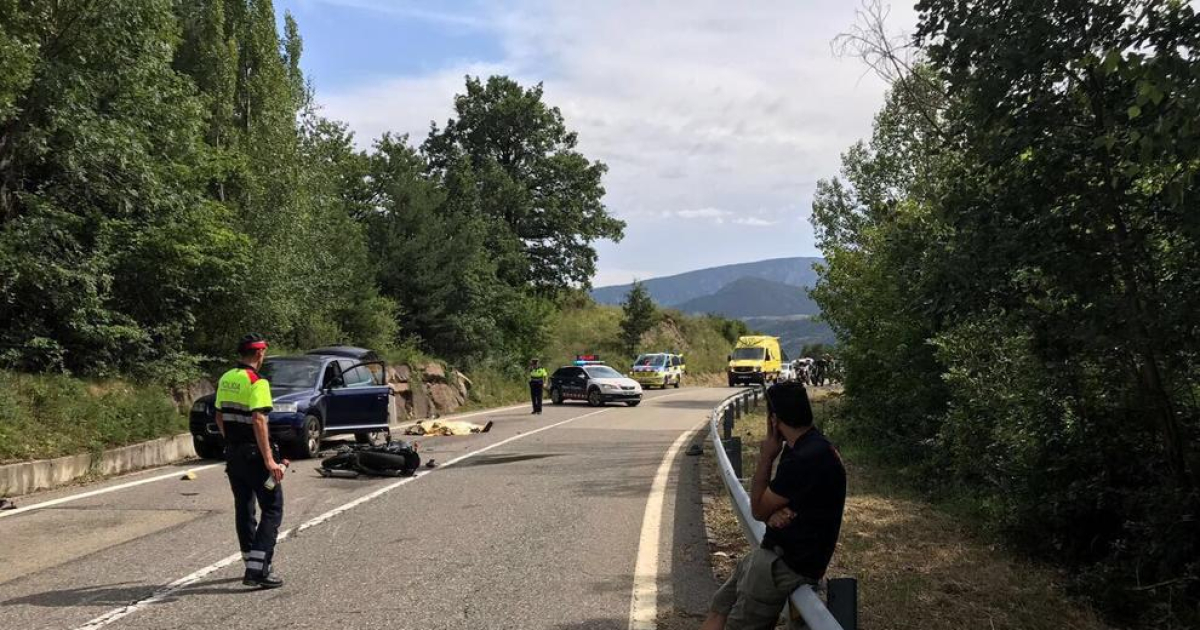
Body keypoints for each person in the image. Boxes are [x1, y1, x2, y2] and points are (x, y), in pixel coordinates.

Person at [701, 381, 847, 630]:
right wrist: (771, 514)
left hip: (783, 566)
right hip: (771, 555)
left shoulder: (804, 458)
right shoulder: (807, 446)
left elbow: (757, 509)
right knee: (720, 606)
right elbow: (770, 510)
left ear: (774, 419)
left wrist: (767, 455)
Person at [215, 333, 287, 589]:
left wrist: (230, 442)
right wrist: (270, 460)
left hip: (234, 455)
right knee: (273, 507)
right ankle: (258, 570)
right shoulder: (257, 381)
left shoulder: (227, 377)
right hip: (255, 457)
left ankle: (249, 560)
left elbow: (219, 414)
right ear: (259, 353)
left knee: (244, 507)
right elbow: (259, 419)